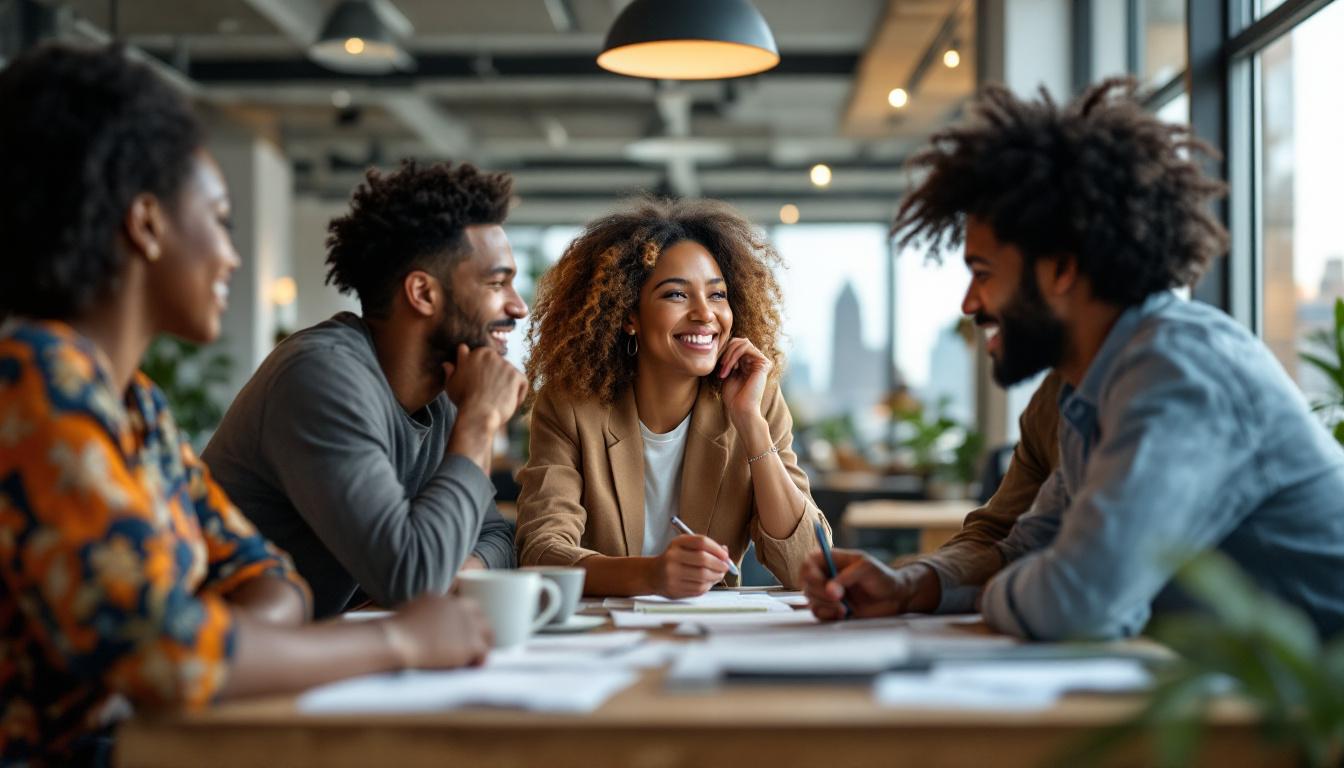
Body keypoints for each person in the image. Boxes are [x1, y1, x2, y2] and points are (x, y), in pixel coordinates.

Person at [0, 44, 491, 765]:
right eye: (220, 218)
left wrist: (195, 646)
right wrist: (398, 640)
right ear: (146, 223)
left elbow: (270, 579)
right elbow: (166, 656)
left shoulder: (135, 405)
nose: (233, 256)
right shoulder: (33, 381)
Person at [804, 78, 1344, 641]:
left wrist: (1016, 588)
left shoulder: (1178, 371)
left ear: (1061, 269)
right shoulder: (1091, 390)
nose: (969, 304)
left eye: (983, 274)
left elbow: (1076, 601)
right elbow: (1027, 548)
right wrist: (910, 586)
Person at [202, 160, 526, 618]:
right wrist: (479, 421)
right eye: (498, 283)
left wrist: (452, 575)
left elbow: (496, 538)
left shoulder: (445, 393)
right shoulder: (321, 377)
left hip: (321, 656)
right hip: (231, 667)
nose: (519, 307)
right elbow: (413, 582)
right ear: (423, 293)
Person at [515, 198, 830, 597]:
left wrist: (750, 423)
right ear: (629, 315)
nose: (704, 314)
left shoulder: (758, 401)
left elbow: (808, 568)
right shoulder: (570, 406)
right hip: (602, 637)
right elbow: (542, 553)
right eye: (676, 296)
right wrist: (651, 575)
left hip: (710, 634)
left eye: (717, 295)